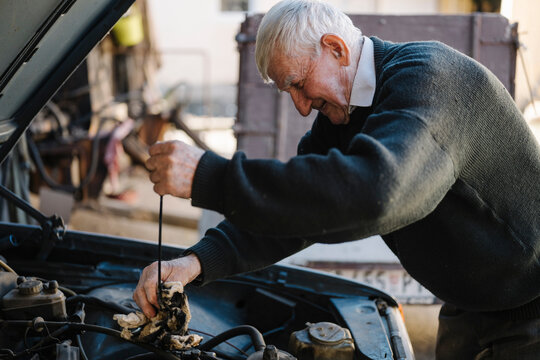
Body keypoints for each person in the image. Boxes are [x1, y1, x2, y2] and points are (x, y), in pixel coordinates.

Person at [133, 0, 540, 358]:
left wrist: (211, 177)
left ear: (336, 48)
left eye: (298, 83)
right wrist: (195, 262)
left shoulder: (431, 80)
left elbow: (378, 192)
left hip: (530, 308)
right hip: (468, 305)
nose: (302, 106)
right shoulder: (341, 118)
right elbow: (297, 215)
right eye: (286, 92)